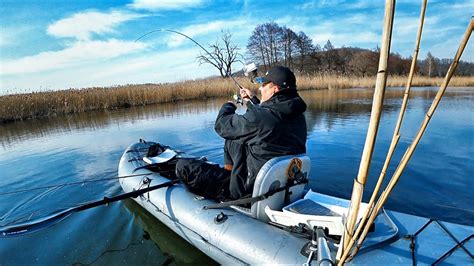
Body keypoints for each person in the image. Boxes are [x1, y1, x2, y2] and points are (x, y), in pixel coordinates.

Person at [176, 66, 307, 201]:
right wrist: (251, 100)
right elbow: (269, 117)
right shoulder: (298, 116)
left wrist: (228, 106)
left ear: (275, 89)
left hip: (248, 192)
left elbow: (222, 125)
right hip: (278, 185)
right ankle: (229, 173)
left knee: (182, 167)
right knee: (233, 141)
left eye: (264, 85)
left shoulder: (262, 117)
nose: (261, 89)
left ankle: (224, 191)